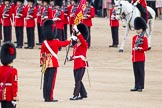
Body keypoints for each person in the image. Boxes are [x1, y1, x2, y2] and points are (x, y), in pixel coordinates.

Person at [40, 19, 71, 102]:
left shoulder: (44, 43)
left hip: (46, 63)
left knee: (46, 80)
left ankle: (46, 97)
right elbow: (65, 43)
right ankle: (50, 97)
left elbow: (42, 54)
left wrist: (42, 63)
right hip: (53, 63)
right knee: (51, 81)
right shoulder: (56, 42)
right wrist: (70, 38)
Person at [67, 23, 89, 100]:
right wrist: (70, 58)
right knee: (78, 80)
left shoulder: (84, 44)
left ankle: (75, 95)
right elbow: (74, 55)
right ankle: (83, 94)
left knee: (77, 81)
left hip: (81, 65)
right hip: (76, 65)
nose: (77, 37)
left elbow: (81, 38)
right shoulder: (76, 45)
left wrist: (76, 30)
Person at [130, 17, 148, 92]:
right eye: (137, 29)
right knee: (136, 72)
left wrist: (140, 49)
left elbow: (146, 48)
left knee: (141, 72)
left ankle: (141, 86)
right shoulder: (134, 38)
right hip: (135, 57)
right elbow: (132, 47)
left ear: (142, 29)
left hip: (140, 57)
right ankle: (136, 85)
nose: (137, 31)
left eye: (139, 29)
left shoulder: (144, 38)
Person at [0, 42, 18, 108]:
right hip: (10, 94)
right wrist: (15, 96)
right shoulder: (13, 70)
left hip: (2, 94)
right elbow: (14, 84)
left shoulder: (0, 69)